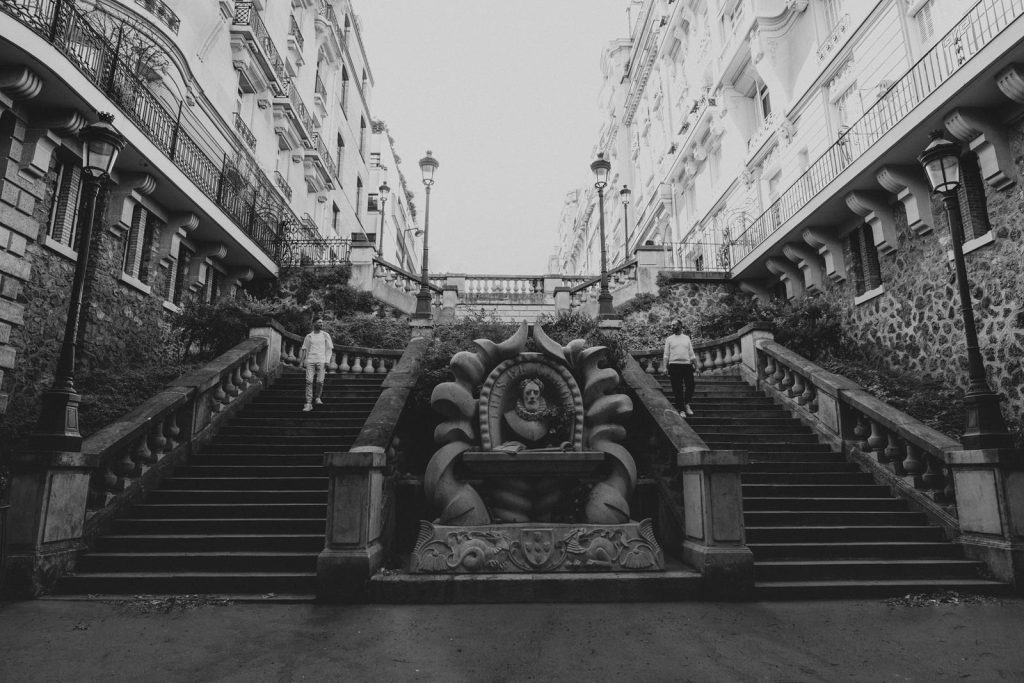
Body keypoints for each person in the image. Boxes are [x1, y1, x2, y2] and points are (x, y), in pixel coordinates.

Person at [663, 319, 699, 417]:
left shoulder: (686, 338)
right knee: (677, 388)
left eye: (674, 325)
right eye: (671, 325)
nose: (672, 327)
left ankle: (687, 404)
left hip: (687, 366)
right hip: (674, 366)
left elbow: (691, 354)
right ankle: (681, 409)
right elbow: (666, 355)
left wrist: (697, 367)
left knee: (690, 385)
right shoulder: (669, 339)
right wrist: (665, 367)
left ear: (680, 325)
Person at [299, 317, 334, 412]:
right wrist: (301, 362)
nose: (321, 324)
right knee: (309, 381)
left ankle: (318, 397)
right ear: (314, 323)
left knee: (320, 381)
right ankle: (308, 403)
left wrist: (327, 360)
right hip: (310, 361)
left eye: (322, 323)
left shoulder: (325, 335)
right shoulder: (308, 336)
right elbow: (304, 349)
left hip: (322, 361)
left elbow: (329, 349)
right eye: (319, 322)